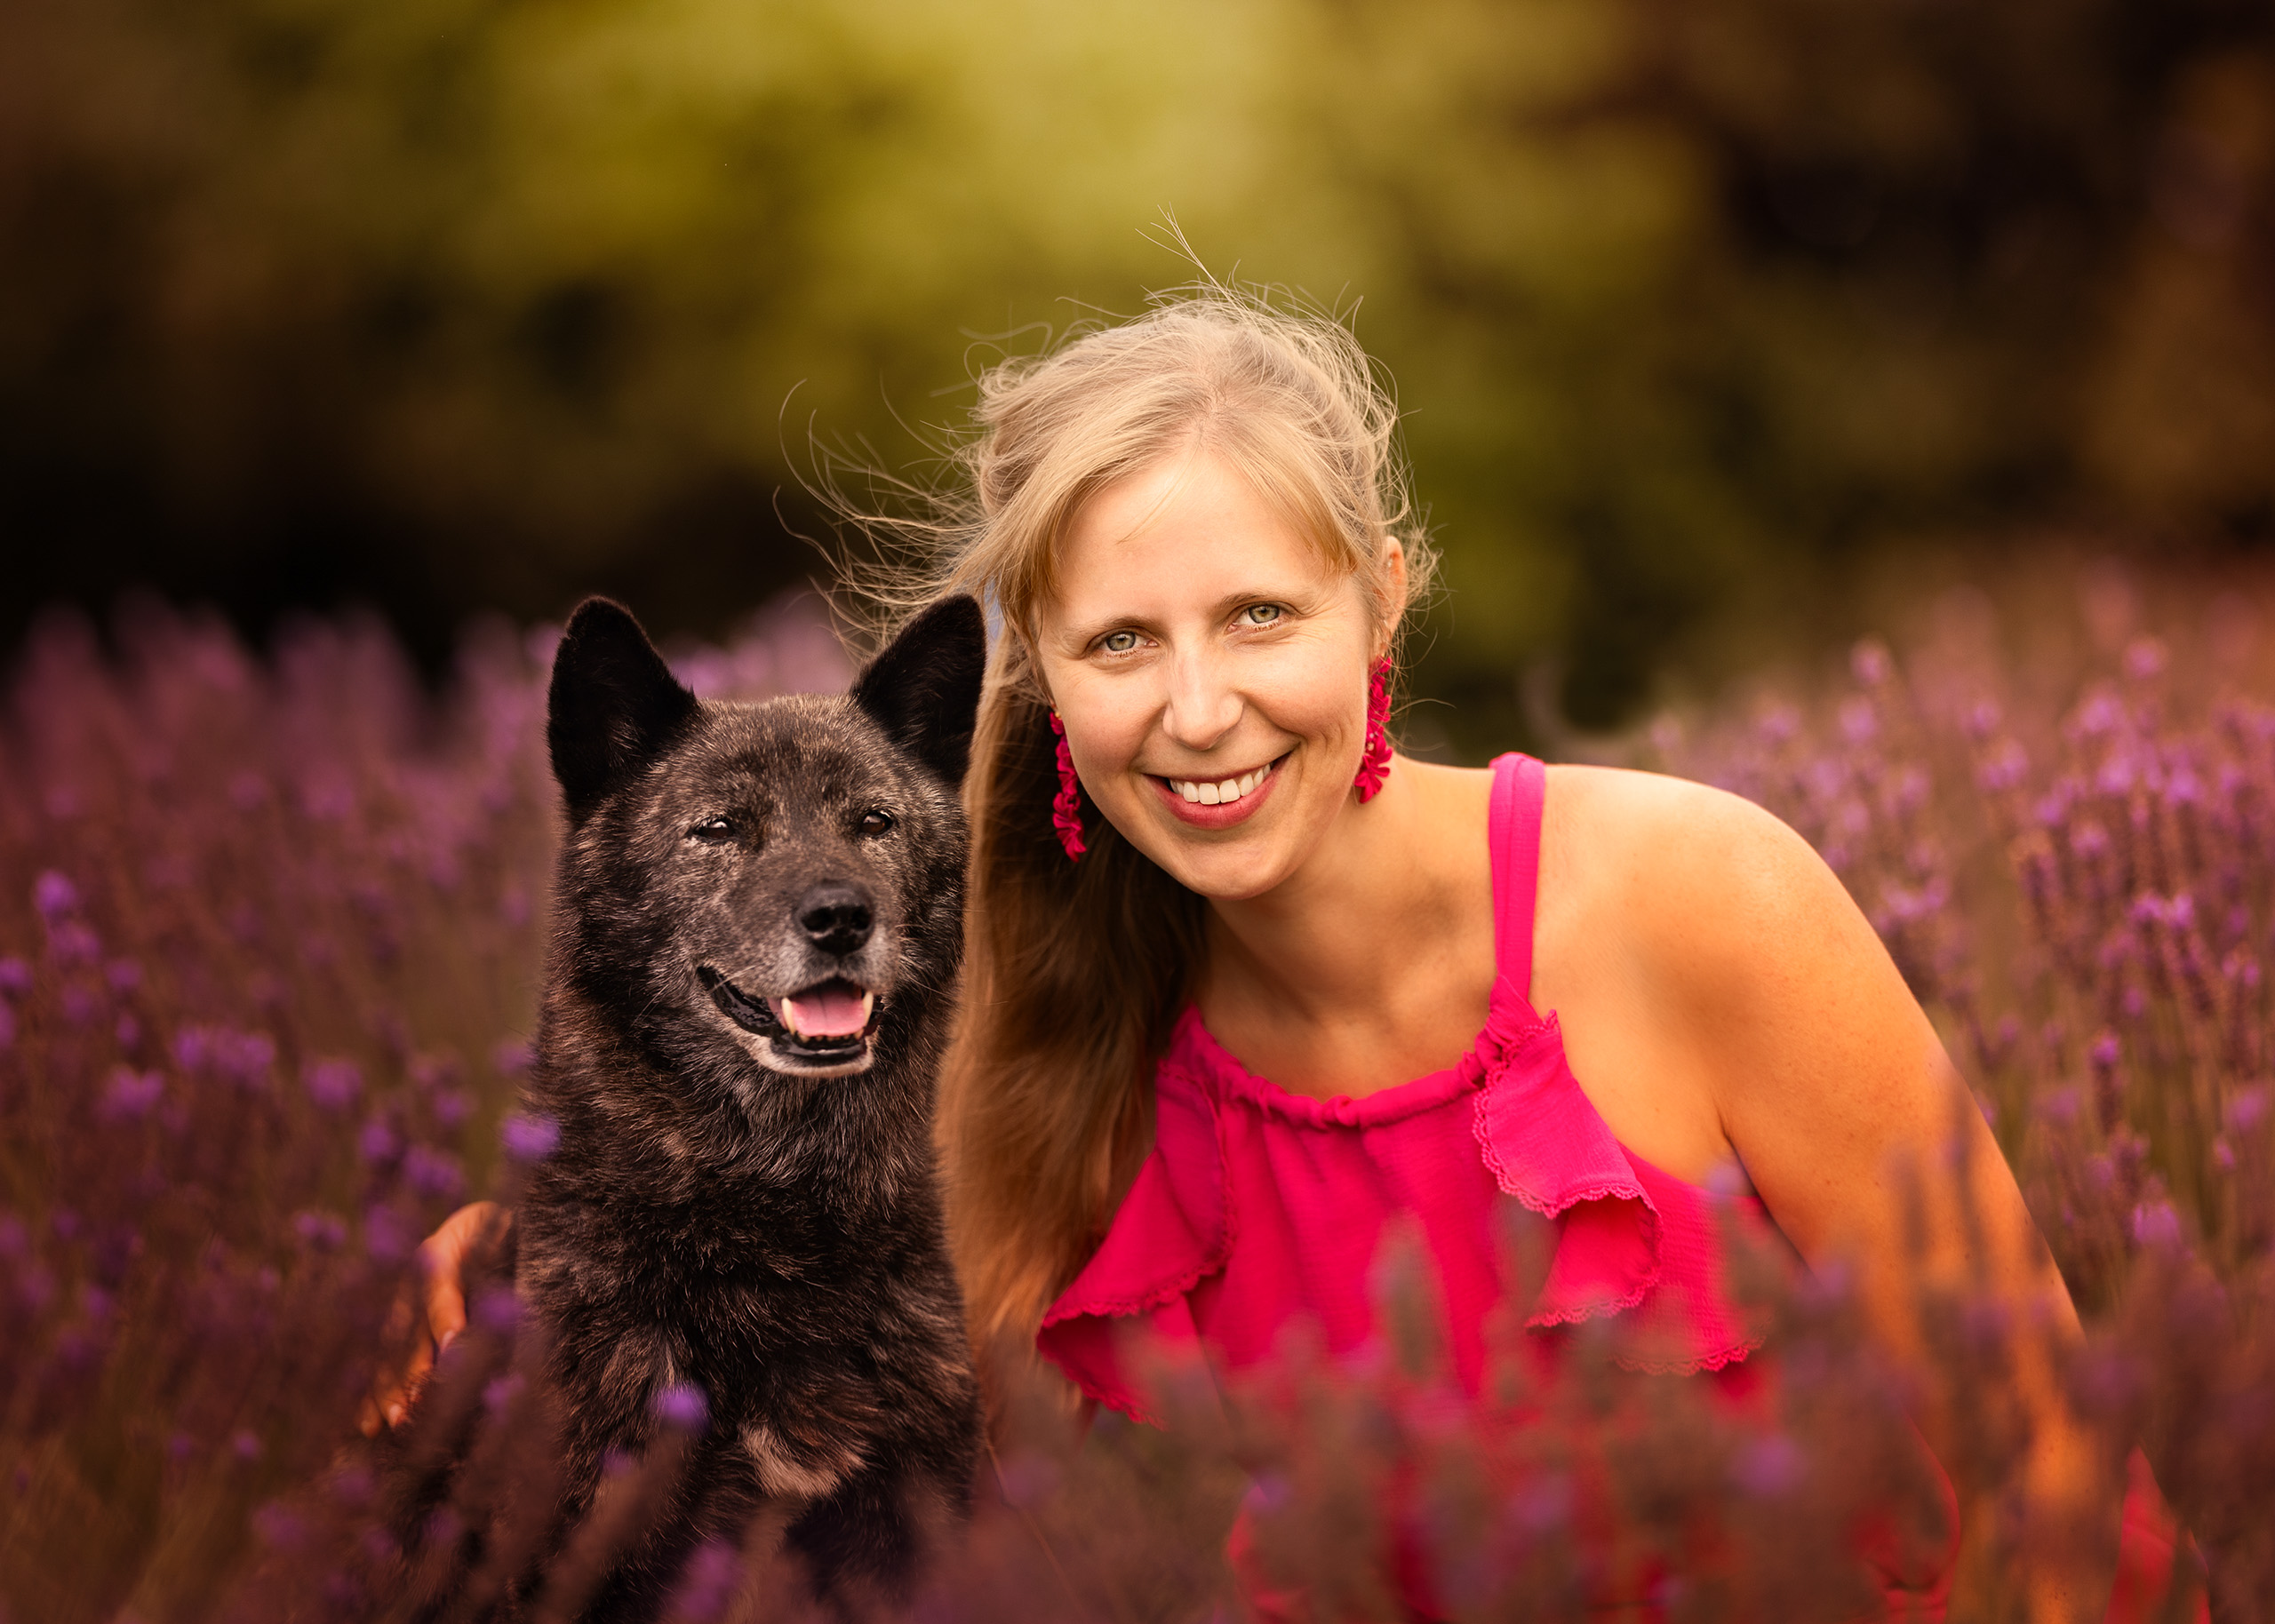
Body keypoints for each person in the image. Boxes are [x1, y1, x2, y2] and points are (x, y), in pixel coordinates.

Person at [378, 287, 2194, 1620]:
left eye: (1258, 613)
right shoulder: (1038, 1008)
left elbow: (2047, 1458)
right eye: (1117, 641)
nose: (1196, 707)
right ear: (1039, 674)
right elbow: (771, 1273)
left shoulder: (1693, 898)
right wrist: (520, 1261)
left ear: (1379, 599)